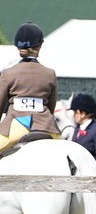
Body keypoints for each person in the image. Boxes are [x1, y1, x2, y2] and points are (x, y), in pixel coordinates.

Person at [0, 21, 59, 151]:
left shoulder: (7, 74)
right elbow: (51, 107)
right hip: (46, 126)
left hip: (16, 126)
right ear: (40, 46)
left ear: (17, 46)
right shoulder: (50, 74)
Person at [69, 92, 96, 175]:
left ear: (83, 114)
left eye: (76, 113)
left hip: (92, 174)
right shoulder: (77, 129)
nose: (74, 115)